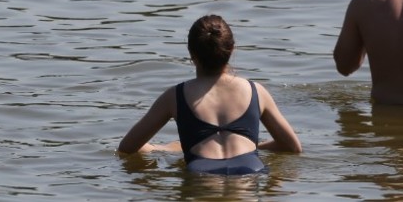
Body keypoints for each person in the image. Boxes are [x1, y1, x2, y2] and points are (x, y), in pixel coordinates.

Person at [117, 14, 302, 175]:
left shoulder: (175, 96)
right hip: (251, 168)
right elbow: (292, 147)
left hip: (200, 171)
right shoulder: (256, 91)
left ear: (191, 55)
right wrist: (253, 147)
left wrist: (163, 149)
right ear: (232, 50)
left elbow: (127, 148)